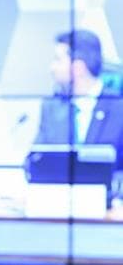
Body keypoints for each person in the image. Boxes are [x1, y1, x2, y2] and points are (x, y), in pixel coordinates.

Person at [35, 29, 123, 169]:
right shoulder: (52, 108)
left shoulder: (118, 108)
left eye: (58, 60)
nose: (52, 68)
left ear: (78, 67)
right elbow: (37, 160)